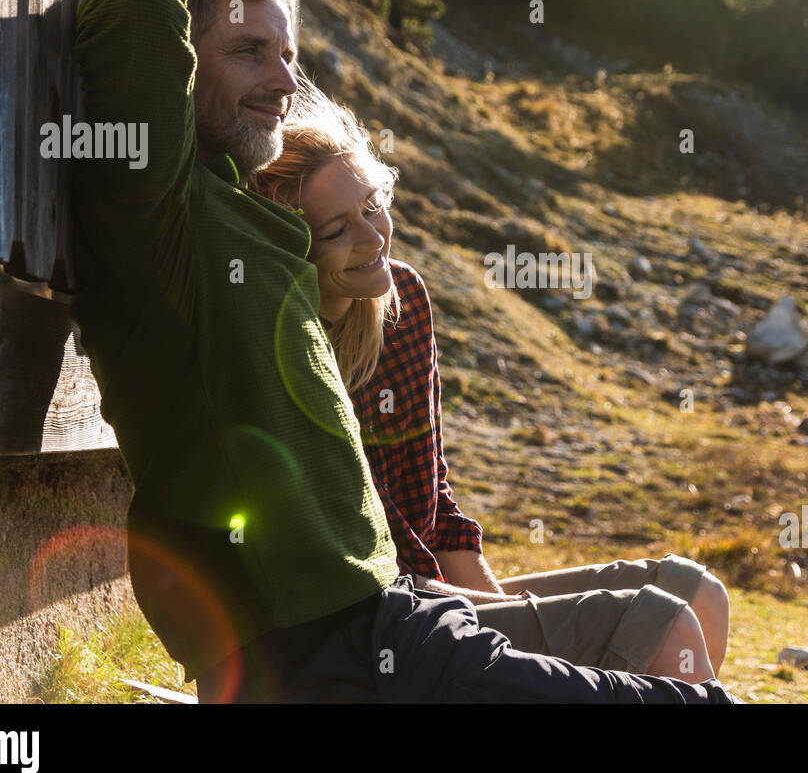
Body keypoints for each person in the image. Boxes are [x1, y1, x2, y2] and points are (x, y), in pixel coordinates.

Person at [69, 0, 735, 703]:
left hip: (386, 613)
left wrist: (251, 31)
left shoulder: (248, 223)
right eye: (249, 51)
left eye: (289, 55)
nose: (284, 81)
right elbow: (133, 0)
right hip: (317, 648)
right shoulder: (161, 219)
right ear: (182, 66)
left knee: (667, 645)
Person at [247, 80, 730, 683]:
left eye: (373, 206)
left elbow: (434, 509)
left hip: (443, 601)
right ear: (295, 243)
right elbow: (358, 571)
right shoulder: (285, 346)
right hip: (388, 624)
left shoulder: (403, 302)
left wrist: (515, 625)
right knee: (666, 626)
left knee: (700, 593)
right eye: (339, 230)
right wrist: (524, 642)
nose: (373, 239)